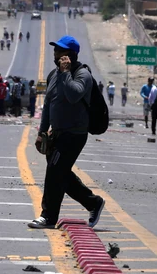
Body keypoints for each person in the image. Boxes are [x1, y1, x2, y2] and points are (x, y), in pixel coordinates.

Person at [28, 35, 104, 230]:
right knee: (61, 173)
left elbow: (73, 95)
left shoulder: (82, 75)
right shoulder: (53, 75)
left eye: (60, 51)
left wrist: (65, 73)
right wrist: (42, 131)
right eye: (55, 50)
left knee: (54, 171)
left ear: (70, 55)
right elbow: (48, 105)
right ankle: (93, 202)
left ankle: (48, 217)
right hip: (57, 133)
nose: (55, 53)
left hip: (74, 134)